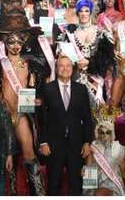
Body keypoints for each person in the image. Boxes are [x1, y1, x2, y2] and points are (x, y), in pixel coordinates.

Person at [0, 0, 48, 195]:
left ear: (24, 40)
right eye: (10, 40)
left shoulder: (33, 65)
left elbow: (40, 92)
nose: (14, 44)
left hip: (22, 114)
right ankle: (8, 193)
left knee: (29, 153)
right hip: (3, 115)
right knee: (6, 158)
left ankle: (37, 193)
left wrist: (39, 101)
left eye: (18, 39)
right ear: (4, 41)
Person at [39, 55, 94, 195]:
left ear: (72, 68)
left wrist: (87, 142)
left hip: (76, 145)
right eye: (61, 66)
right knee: (53, 184)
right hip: (53, 145)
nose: (65, 69)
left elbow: (88, 118)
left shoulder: (81, 89)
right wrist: (43, 142)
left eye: (68, 66)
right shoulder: (47, 89)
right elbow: (42, 119)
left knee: (76, 184)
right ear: (56, 69)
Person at [85, 105, 125, 196]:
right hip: (97, 183)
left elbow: (124, 175)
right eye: (102, 132)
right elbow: (90, 174)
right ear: (98, 133)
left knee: (99, 195)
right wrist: (84, 172)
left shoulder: (118, 148)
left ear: (112, 133)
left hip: (113, 184)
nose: (104, 135)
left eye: (108, 132)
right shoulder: (93, 147)